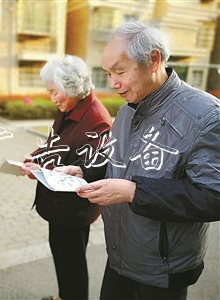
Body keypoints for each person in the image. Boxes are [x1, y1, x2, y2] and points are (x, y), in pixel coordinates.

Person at [59, 22, 220, 300]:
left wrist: (134, 192)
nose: (113, 83)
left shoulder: (206, 116)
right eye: (108, 73)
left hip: (163, 267)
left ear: (153, 59)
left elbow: (213, 196)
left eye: (120, 71)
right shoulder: (125, 113)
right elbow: (122, 163)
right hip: (120, 254)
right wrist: (85, 171)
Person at [20, 55, 112, 300]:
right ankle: (64, 295)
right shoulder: (70, 107)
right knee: (64, 258)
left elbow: (93, 168)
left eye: (53, 91)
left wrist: (50, 170)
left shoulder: (97, 120)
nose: (51, 98)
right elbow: (55, 142)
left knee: (72, 263)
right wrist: (36, 159)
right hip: (59, 204)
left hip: (73, 208)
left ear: (71, 87)